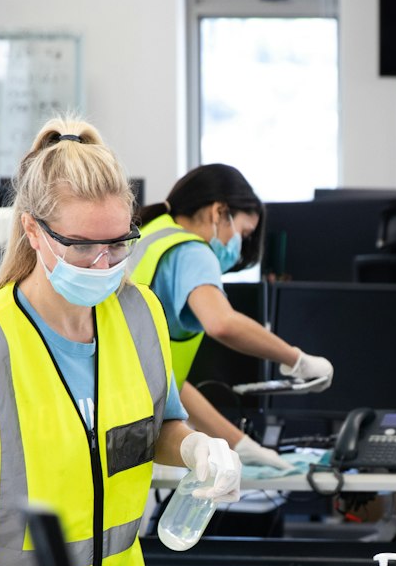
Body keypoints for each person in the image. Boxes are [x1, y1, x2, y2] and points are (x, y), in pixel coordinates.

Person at [0, 118, 242, 566]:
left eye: (117, 243)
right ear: (33, 231)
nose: (103, 263)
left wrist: (197, 449)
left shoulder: (140, 316)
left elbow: (154, 431)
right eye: (83, 246)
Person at [127, 164, 335, 474]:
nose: (239, 250)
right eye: (244, 232)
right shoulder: (191, 251)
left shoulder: (152, 235)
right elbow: (222, 323)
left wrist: (240, 444)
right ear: (218, 212)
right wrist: (297, 359)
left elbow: (170, 382)